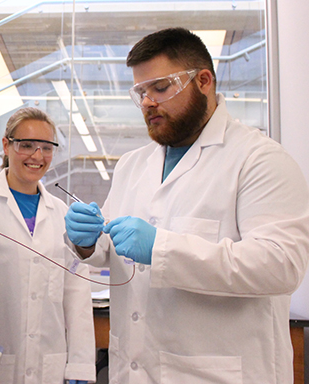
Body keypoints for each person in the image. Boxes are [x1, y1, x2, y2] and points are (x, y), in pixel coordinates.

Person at [64, 27, 309, 384]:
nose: (148, 102)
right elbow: (114, 248)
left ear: (204, 80)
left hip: (218, 373)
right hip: (133, 369)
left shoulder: (259, 159)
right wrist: (88, 242)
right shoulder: (134, 164)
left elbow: (281, 266)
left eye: (161, 87)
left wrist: (161, 247)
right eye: (141, 92)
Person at [0, 107, 96, 384]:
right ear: (6, 145)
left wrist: (80, 364)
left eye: (46, 147)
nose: (37, 156)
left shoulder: (63, 214)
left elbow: (76, 294)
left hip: (48, 364)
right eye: (26, 145)